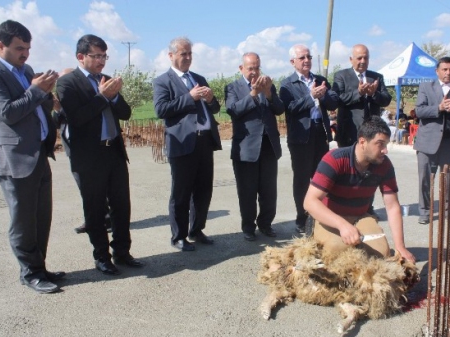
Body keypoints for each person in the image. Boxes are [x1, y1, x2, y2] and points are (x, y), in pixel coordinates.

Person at [57, 34, 144, 275]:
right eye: (96, 56)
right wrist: (102, 97)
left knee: (121, 206)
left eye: (104, 56)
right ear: (80, 57)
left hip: (113, 152)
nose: (101, 61)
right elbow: (76, 118)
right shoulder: (68, 83)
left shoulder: (106, 80)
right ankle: (102, 257)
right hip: (89, 157)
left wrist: (114, 95)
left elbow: (125, 113)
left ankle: (122, 252)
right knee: (95, 210)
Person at [0, 20, 64, 293]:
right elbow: (8, 112)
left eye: (28, 48)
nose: (25, 54)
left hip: (38, 155)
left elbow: (35, 105)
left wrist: (47, 91)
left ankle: (40, 266)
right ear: (0, 45)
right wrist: (36, 90)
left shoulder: (26, 70)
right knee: (23, 221)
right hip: (14, 159)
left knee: (41, 217)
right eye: (20, 48)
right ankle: (29, 273)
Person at [303, 116, 415, 263]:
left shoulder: (384, 165)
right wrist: (342, 225)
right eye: (380, 144)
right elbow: (310, 202)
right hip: (330, 217)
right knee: (336, 252)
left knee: (382, 254)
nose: (385, 150)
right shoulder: (335, 159)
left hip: (360, 216)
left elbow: (392, 206)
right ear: (363, 142)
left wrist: (400, 247)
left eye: (386, 144)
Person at [153, 37, 222, 251]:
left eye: (190, 53)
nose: (188, 57)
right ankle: (179, 236)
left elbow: (216, 108)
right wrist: (190, 97)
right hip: (182, 143)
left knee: (203, 190)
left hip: (204, 142)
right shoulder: (162, 81)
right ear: (171, 55)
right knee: (181, 192)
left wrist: (210, 99)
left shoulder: (199, 78)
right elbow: (161, 109)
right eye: (183, 53)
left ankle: (196, 230)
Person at [279, 44, 339, 234]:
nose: (307, 61)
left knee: (321, 178)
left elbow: (333, 102)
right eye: (302, 58)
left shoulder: (320, 80)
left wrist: (323, 96)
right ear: (293, 62)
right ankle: (302, 216)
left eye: (309, 57)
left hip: (320, 133)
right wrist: (311, 96)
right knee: (302, 179)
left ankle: (321, 214)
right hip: (300, 137)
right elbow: (290, 108)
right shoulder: (287, 84)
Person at [225, 52, 284, 241]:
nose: (254, 72)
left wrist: (267, 93)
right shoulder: (233, 87)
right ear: (241, 68)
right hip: (246, 148)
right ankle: (248, 227)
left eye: (257, 67)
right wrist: (253, 93)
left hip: (268, 146)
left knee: (268, 190)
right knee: (247, 191)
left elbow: (279, 109)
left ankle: (265, 224)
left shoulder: (268, 85)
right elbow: (233, 111)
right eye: (250, 68)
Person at [414, 57, 450, 225]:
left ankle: (449, 211)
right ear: (437, 71)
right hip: (427, 142)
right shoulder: (426, 87)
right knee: (425, 179)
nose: (448, 73)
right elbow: (419, 111)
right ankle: (425, 212)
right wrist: (438, 108)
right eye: (445, 69)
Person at [53, 68, 112, 235]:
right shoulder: (61, 99)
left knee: (93, 187)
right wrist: (57, 109)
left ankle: (101, 218)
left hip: (88, 148)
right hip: (71, 147)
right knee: (83, 185)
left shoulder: (82, 95)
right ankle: (96, 217)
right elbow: (58, 122)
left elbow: (79, 117)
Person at [332, 44, 391, 147]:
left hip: (372, 132)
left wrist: (373, 94)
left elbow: (386, 100)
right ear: (351, 59)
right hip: (349, 132)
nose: (363, 61)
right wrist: (358, 93)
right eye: (359, 58)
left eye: (366, 58)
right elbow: (337, 100)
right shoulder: (341, 76)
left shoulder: (376, 77)